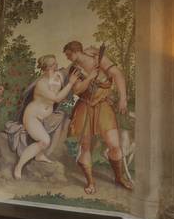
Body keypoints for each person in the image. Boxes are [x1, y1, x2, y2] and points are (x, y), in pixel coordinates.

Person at [63, 40, 133, 193]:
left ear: (76, 51)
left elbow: (117, 74)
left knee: (114, 145)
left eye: (69, 55)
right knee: (85, 147)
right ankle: (90, 182)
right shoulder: (74, 69)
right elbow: (76, 90)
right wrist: (89, 78)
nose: (68, 58)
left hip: (102, 105)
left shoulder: (97, 58)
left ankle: (119, 178)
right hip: (84, 106)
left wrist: (123, 98)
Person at [11, 56, 79, 179]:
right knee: (44, 141)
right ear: (46, 68)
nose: (56, 65)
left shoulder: (58, 76)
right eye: (53, 64)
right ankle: (19, 166)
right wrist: (71, 83)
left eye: (55, 62)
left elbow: (68, 69)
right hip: (32, 116)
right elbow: (57, 98)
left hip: (46, 117)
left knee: (58, 125)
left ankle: (39, 155)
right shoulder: (41, 84)